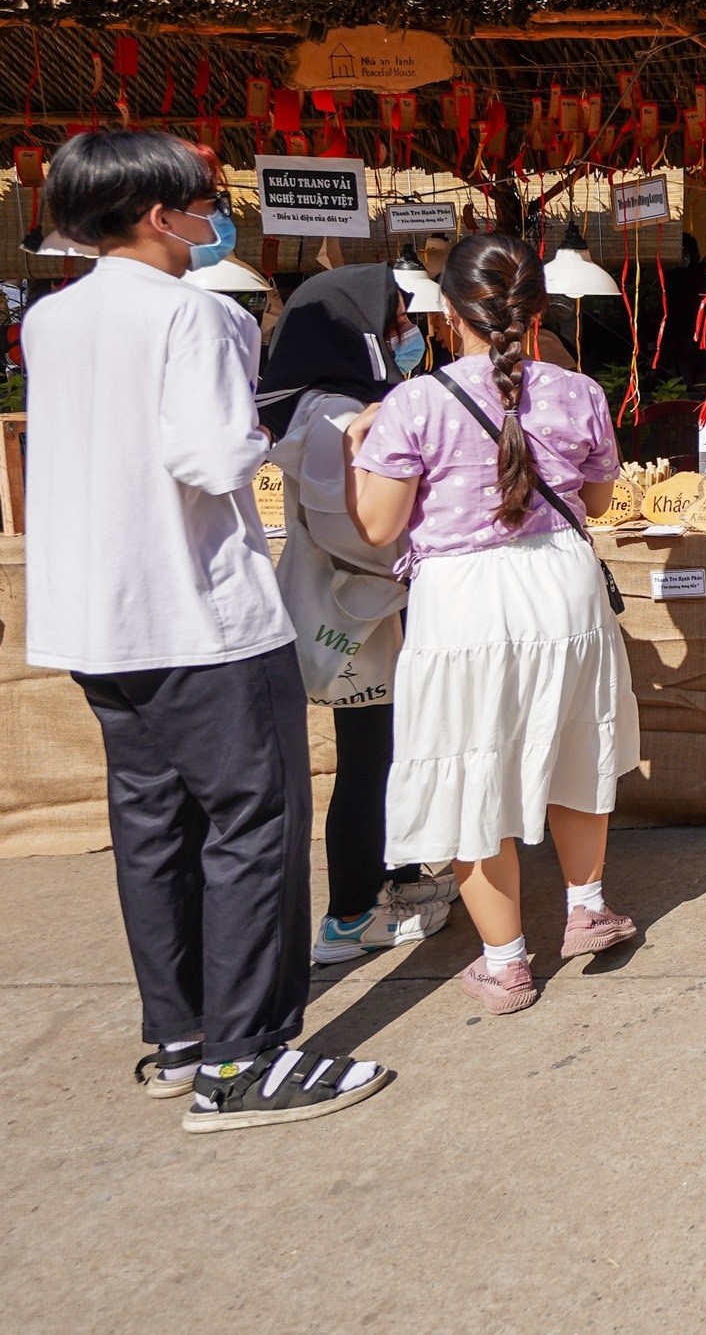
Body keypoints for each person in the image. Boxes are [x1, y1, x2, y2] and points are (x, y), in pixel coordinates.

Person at [24, 130, 391, 1130]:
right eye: (202, 201)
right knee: (252, 827)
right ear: (159, 214)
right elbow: (219, 458)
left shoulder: (52, 322)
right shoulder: (197, 318)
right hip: (203, 616)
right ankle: (247, 1057)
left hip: (97, 619)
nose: (210, 217)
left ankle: (181, 1031)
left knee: (151, 826)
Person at [348, 233, 640, 1017]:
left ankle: (506, 963)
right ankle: (587, 909)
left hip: (462, 600)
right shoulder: (578, 392)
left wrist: (357, 446)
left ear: (447, 312)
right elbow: (602, 503)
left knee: (469, 764)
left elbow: (377, 528)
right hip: (562, 585)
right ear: (539, 308)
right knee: (576, 738)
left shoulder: (412, 404)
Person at [258, 263, 460, 965]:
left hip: (369, 608)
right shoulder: (334, 416)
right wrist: (417, 558)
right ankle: (348, 916)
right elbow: (353, 528)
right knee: (370, 759)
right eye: (394, 322)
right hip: (360, 613)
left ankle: (396, 882)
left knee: (392, 755)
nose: (404, 334)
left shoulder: (332, 404)